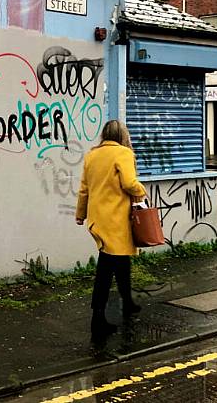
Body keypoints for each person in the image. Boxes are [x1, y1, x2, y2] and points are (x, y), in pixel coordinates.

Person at [75, 119, 147, 338]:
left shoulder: (91, 155)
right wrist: (142, 190)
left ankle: (128, 302)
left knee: (122, 261)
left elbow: (84, 190)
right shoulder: (123, 154)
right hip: (116, 221)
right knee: (106, 269)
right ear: (122, 135)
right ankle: (98, 318)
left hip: (99, 220)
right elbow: (129, 183)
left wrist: (81, 215)